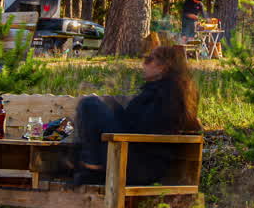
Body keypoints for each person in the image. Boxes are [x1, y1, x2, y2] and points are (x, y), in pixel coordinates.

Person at [71, 45, 201, 186]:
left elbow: (144, 127)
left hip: (138, 164)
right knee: (94, 105)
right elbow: (141, 123)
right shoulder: (168, 89)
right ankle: (89, 165)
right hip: (139, 159)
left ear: (164, 67)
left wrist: (114, 113)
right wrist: (114, 109)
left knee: (90, 104)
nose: (143, 63)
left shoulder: (168, 94)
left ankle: (92, 167)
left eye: (149, 59)